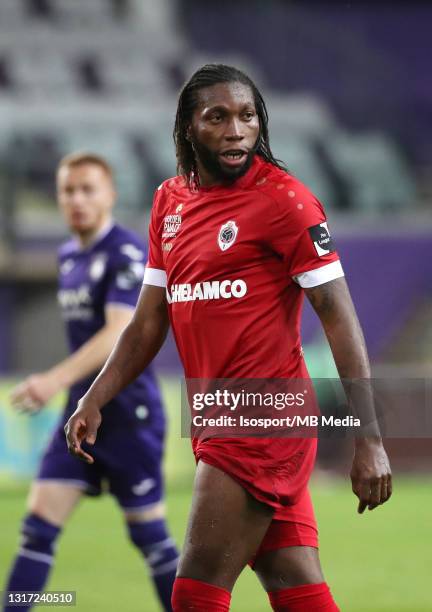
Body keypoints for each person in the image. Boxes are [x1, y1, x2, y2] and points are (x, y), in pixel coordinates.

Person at [64, 65, 392, 612]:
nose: (238, 130)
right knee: (292, 580)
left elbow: (340, 318)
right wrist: (96, 396)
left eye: (248, 116)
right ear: (189, 128)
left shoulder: (287, 202)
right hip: (216, 414)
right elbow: (148, 322)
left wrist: (370, 437)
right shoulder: (171, 202)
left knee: (194, 592)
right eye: (218, 117)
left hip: (263, 417)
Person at [2, 153, 178, 612]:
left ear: (110, 195)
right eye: (68, 190)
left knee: (149, 536)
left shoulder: (124, 252)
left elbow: (120, 330)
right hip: (78, 415)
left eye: (88, 189)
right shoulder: (67, 256)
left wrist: (53, 379)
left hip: (128, 416)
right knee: (37, 528)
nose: (77, 199)